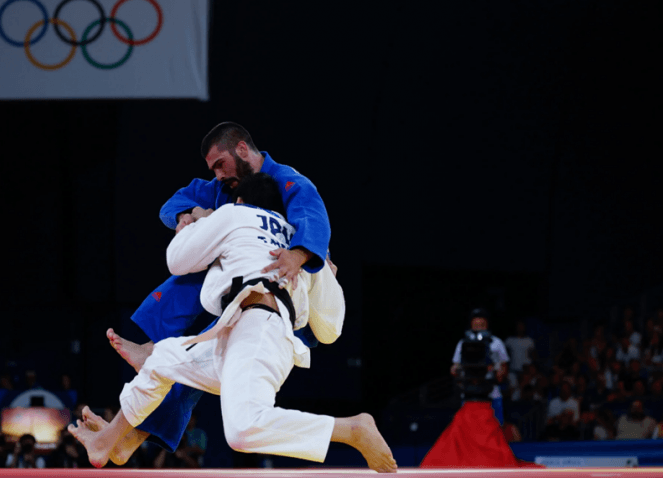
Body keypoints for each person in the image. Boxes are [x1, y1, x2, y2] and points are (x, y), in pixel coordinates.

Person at [69, 173, 396, 473]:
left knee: (242, 430)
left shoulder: (236, 215)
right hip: (248, 333)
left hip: (257, 331)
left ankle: (349, 429)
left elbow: (177, 260)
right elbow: (329, 331)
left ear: (240, 201)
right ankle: (112, 438)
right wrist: (324, 274)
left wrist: (195, 221)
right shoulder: (305, 245)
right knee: (164, 359)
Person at [106, 122, 333, 451]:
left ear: (242, 149)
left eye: (219, 164)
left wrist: (299, 254)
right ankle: (129, 437)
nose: (217, 174)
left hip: (281, 296)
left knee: (204, 367)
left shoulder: (288, 181)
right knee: (188, 367)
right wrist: (191, 213)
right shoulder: (223, 188)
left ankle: (151, 356)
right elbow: (172, 204)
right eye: (212, 169)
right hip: (239, 296)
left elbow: (313, 217)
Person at [450, 308, 509, 425]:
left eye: (481, 324)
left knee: (495, 430)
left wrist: (499, 373)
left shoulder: (496, 342)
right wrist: (456, 372)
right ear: (471, 324)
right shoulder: (463, 343)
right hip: (469, 395)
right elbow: (455, 367)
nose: (478, 326)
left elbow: (504, 366)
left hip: (492, 395)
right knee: (469, 432)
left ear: (486, 324)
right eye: (476, 324)